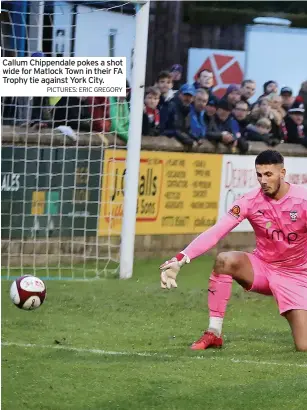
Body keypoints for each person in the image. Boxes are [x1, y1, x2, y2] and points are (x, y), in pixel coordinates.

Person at [160, 150, 307, 352]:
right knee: (225, 260)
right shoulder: (249, 201)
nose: (263, 180)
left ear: (282, 172)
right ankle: (214, 333)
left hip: (297, 276)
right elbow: (217, 230)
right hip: (263, 269)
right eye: (259, 175)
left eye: (269, 174)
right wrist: (181, 258)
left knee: (304, 346)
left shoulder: (303, 199)